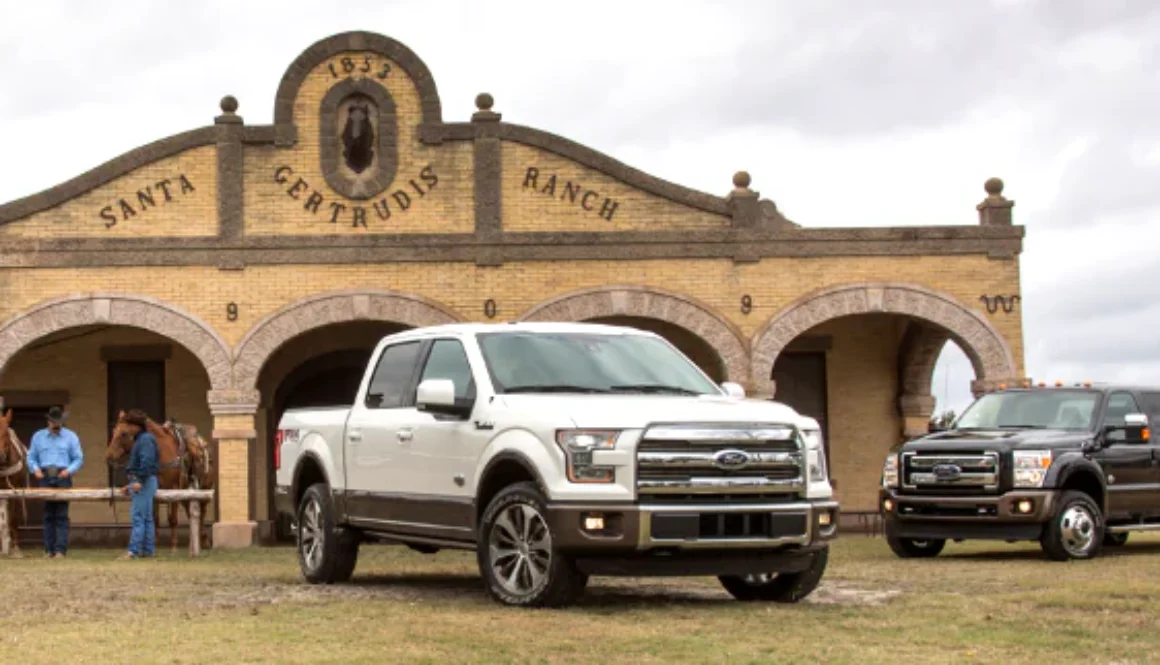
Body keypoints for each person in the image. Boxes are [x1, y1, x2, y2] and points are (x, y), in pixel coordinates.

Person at [26, 406, 83, 558]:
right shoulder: (38, 437)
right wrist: (35, 470)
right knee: (48, 514)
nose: (57, 425)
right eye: (54, 422)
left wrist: (68, 471)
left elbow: (78, 458)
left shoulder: (71, 437)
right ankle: (48, 549)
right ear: (48, 421)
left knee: (62, 514)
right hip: (45, 476)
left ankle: (60, 550)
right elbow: (31, 457)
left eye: (59, 422)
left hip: (63, 475)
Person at [120, 409, 159, 559]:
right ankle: (148, 551)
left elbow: (147, 463)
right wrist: (130, 484)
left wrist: (138, 481)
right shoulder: (144, 439)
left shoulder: (145, 440)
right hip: (144, 480)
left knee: (138, 516)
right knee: (147, 517)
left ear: (136, 426)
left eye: (129, 425)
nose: (128, 429)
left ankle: (133, 551)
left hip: (143, 480)